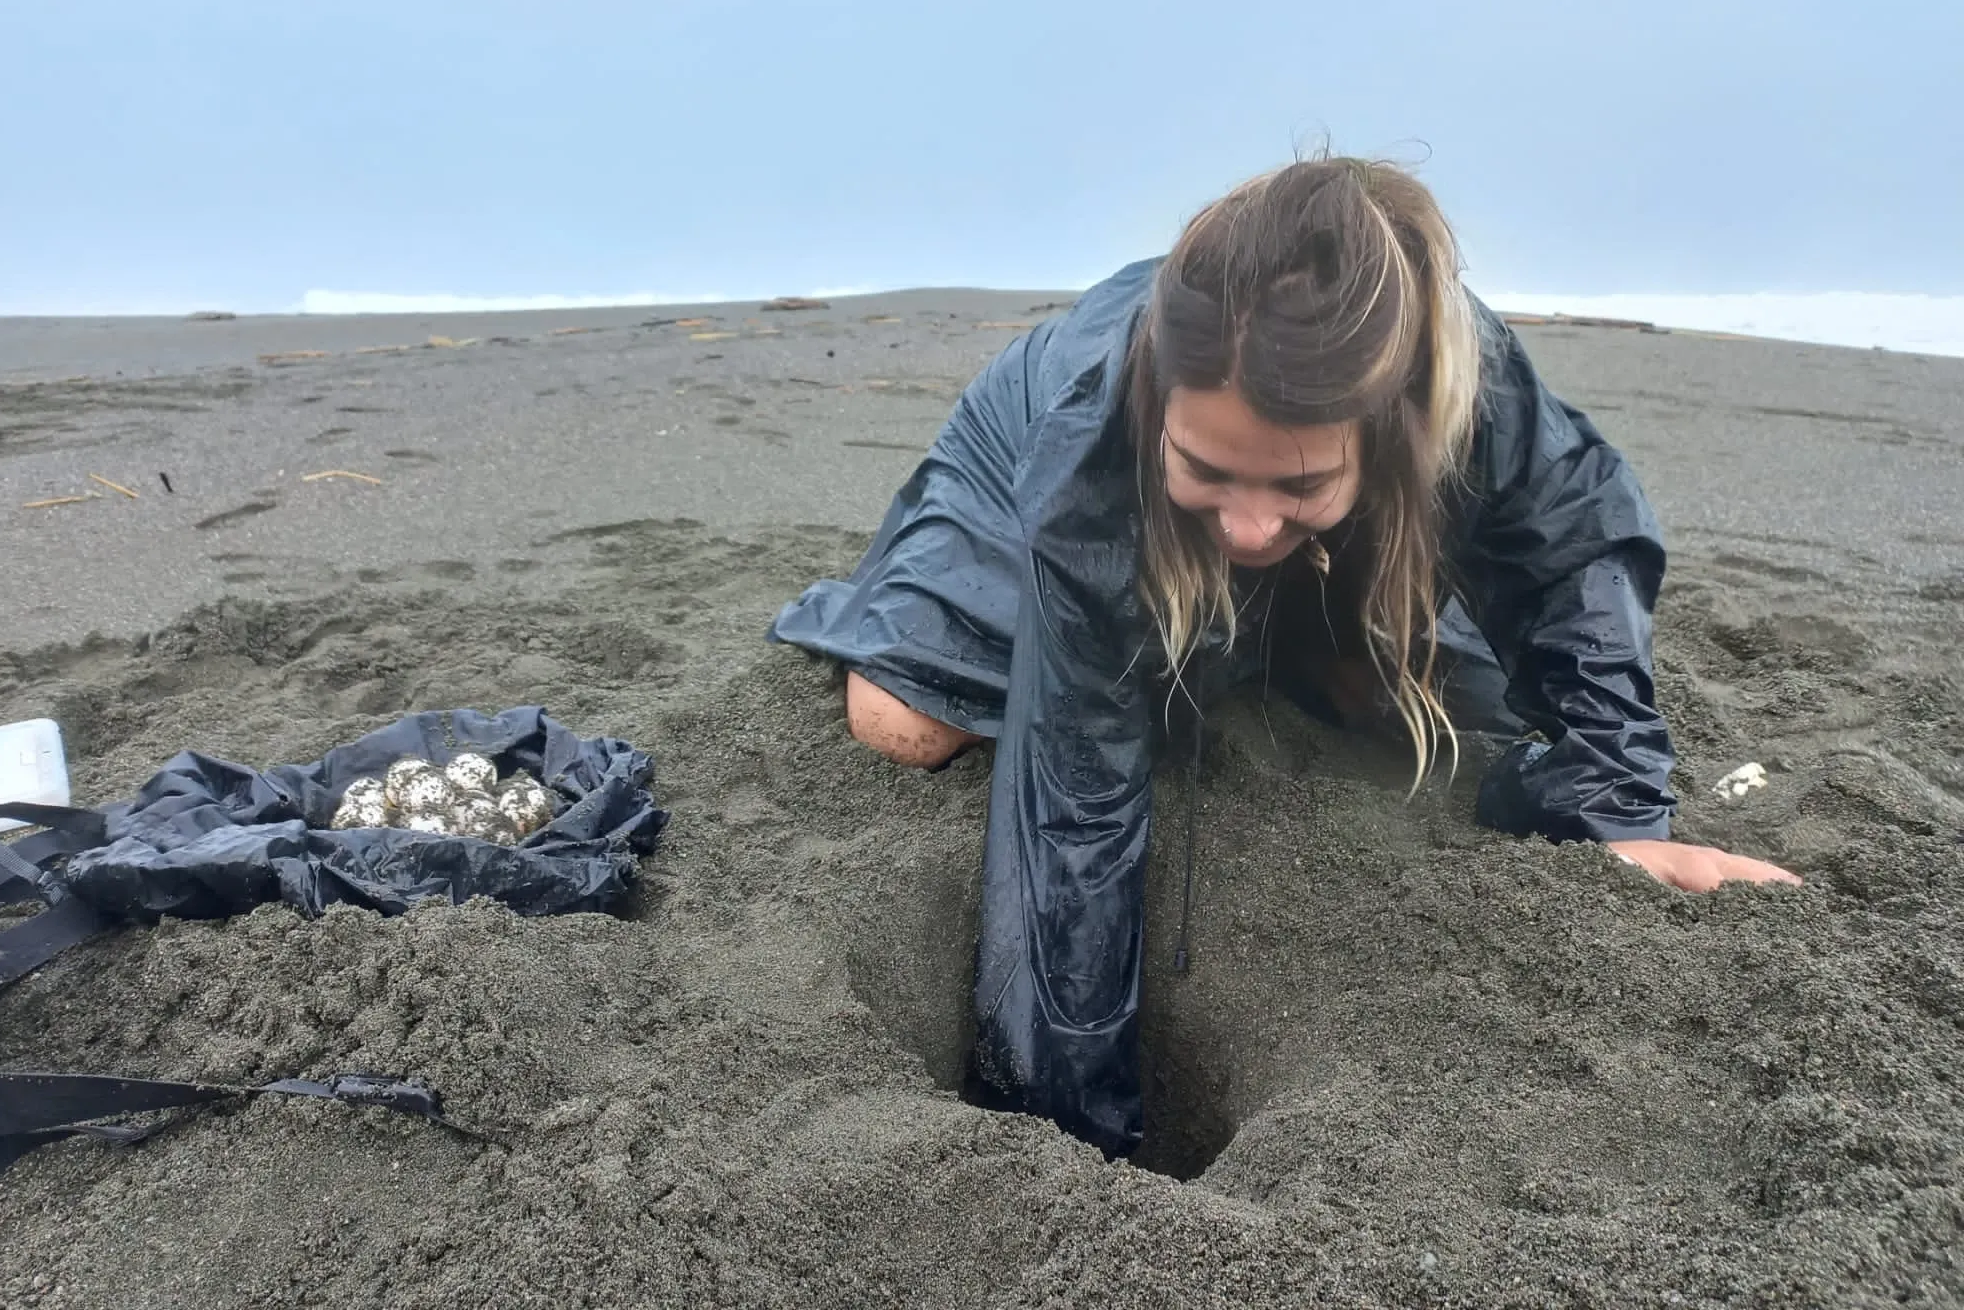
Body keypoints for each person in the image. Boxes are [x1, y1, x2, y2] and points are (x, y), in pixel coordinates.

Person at [770, 155, 1799, 1156]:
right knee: (901, 727)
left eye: (1294, 483)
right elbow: (1074, 801)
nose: (1252, 525)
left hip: (1332, 530)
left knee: (1448, 711)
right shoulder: (1094, 441)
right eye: (1208, 467)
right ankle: (957, 603)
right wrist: (1064, 1130)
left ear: (1388, 426)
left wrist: (1613, 818)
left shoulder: (1461, 377)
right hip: (1017, 462)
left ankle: (1250, 622)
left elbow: (1572, 550)